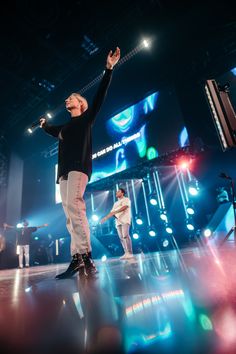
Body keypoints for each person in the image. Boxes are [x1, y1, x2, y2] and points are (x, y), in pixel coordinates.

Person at [40, 47, 120, 279]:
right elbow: (51, 130)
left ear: (81, 103)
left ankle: (86, 256)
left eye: (71, 97)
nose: (67, 99)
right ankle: (76, 258)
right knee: (69, 213)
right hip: (63, 172)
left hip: (78, 168)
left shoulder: (86, 118)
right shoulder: (64, 128)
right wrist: (44, 125)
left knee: (75, 207)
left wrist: (108, 69)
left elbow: (101, 95)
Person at [100, 188, 133, 259]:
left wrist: (116, 212)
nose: (116, 193)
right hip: (118, 222)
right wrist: (105, 218)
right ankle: (126, 253)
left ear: (122, 193)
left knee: (125, 235)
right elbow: (112, 212)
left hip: (125, 220)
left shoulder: (126, 199)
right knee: (121, 237)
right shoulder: (115, 203)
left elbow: (125, 207)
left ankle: (130, 253)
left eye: (118, 192)